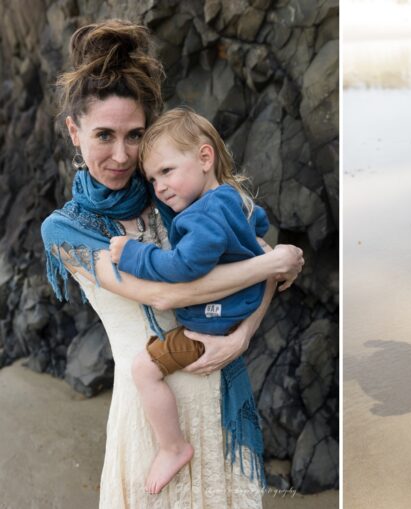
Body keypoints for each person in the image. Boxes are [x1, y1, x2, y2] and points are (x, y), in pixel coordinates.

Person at [40, 20, 303, 507]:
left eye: (135, 135)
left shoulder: (174, 192)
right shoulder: (66, 229)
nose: (121, 155)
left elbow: (252, 253)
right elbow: (167, 293)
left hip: (220, 394)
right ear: (74, 132)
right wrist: (276, 262)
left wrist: (242, 337)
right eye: (104, 135)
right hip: (151, 422)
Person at [104, 108, 290, 495]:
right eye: (152, 178)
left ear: (205, 158)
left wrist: (133, 254)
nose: (159, 187)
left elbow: (185, 266)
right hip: (240, 305)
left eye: (167, 171)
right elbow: (258, 227)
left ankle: (173, 447)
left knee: (144, 370)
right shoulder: (233, 198)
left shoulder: (202, 215)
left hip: (210, 321)